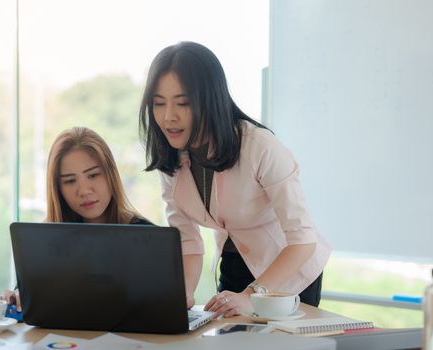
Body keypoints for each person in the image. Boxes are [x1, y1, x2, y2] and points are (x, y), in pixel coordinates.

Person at [139, 41, 331, 318]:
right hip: (233, 261)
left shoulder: (260, 147)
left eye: (183, 102)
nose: (169, 116)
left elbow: (302, 240)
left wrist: (251, 296)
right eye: (159, 103)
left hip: (288, 269)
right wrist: (183, 295)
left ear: (210, 98)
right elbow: (187, 241)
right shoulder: (170, 158)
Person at [1, 126, 152, 311]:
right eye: (70, 181)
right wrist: (17, 299)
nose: (84, 191)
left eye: (93, 175)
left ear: (111, 175)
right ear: (58, 189)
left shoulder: (147, 236)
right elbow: (27, 297)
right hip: (61, 340)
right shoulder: (44, 238)